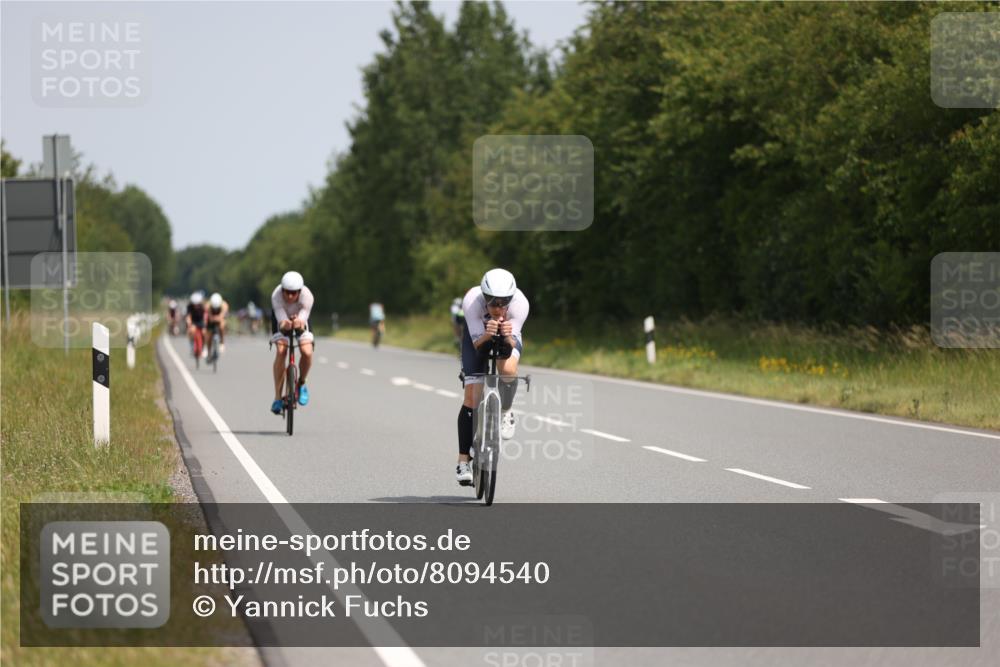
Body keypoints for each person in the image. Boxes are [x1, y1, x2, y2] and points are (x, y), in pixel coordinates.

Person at [455, 268, 529, 485]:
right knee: (472, 397)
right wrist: (488, 333)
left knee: (507, 370)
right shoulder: (471, 300)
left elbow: (509, 349)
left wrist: (506, 335)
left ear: (511, 299)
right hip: (477, 338)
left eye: (503, 302)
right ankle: (462, 461)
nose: (498, 308)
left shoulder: (520, 304)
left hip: (507, 337)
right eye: (493, 302)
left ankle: (506, 410)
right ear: (484, 297)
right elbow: (479, 346)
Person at [270, 271, 315, 414]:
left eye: (293, 293)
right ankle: (277, 397)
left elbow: (302, 322)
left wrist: (297, 323)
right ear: (282, 290)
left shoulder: (307, 296)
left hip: (301, 320)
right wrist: (286, 324)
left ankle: (301, 383)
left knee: (307, 352)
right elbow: (282, 322)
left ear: (299, 292)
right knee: (281, 351)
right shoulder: (276, 296)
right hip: (281, 321)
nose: (289, 296)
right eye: (287, 292)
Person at [205, 292, 230, 357]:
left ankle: (222, 343)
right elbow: (209, 316)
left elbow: (222, 315)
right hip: (211, 319)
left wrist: (218, 318)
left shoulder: (224, 305)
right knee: (208, 335)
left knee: (222, 326)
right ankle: (208, 351)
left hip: (220, 318)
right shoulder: (208, 305)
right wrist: (212, 318)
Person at [185, 291, 207, 358]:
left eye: (197, 304)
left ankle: (204, 348)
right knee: (191, 331)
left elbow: (205, 316)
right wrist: (189, 323)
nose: (196, 306)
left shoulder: (203, 306)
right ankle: (192, 346)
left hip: (201, 321)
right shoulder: (189, 306)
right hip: (193, 321)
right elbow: (188, 316)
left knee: (204, 332)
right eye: (194, 304)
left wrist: (205, 324)